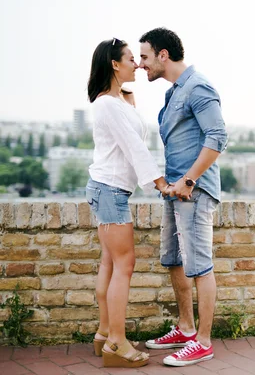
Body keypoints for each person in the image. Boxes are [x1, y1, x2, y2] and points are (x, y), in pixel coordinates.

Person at [139, 27, 228, 367]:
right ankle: (186, 328)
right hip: (175, 192)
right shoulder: (172, 93)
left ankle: (203, 342)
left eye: (145, 57)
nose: (142, 64)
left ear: (164, 55)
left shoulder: (198, 86)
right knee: (174, 260)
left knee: (200, 265)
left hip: (195, 191)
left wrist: (190, 179)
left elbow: (217, 135)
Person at [86, 38, 170, 368]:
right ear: (114, 64)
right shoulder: (107, 104)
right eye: (131, 59)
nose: (137, 64)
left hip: (107, 188)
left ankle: (105, 333)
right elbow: (134, 147)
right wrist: (159, 182)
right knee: (124, 264)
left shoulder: (114, 101)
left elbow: (130, 133)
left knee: (110, 262)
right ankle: (117, 345)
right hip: (110, 191)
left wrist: (128, 97)